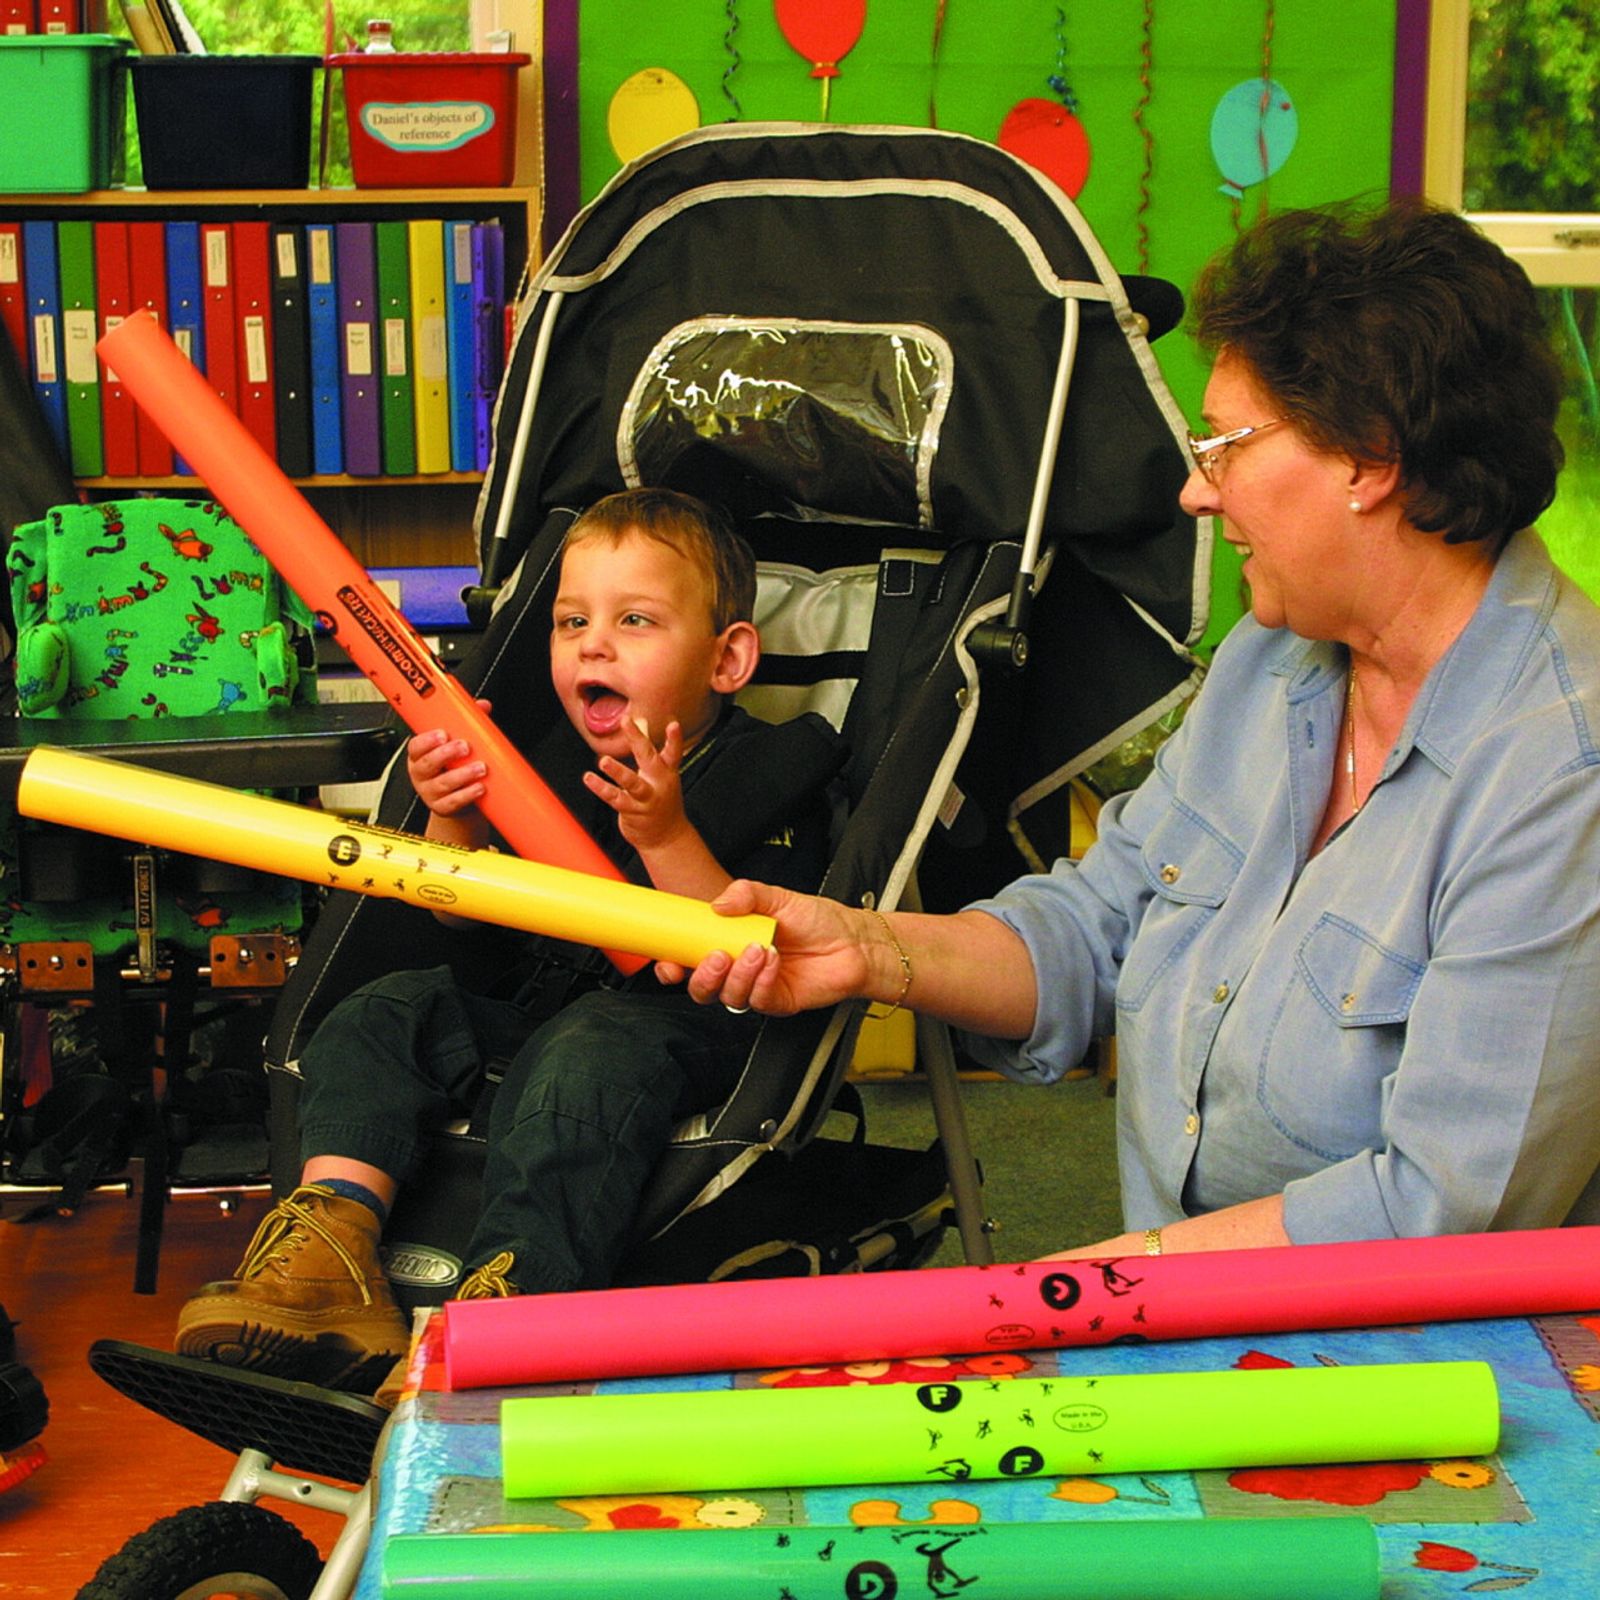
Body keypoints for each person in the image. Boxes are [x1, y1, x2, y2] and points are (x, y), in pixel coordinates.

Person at [678, 197, 1600, 1256]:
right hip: (1199, 1335)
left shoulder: (1560, 769)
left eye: (1226, 444)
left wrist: (1125, 1285)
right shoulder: (1274, 660)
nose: (1194, 490)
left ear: (1371, 457)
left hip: (1427, 1377)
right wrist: (867, 948)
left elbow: (1442, 1209)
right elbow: (1100, 924)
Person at [174, 487, 847, 1391]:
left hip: (681, 1027)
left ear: (727, 660)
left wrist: (664, 836)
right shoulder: (548, 766)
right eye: (573, 622)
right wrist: (451, 822)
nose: (592, 645)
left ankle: (515, 1306)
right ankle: (330, 1249)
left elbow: (740, 950)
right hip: (539, 1016)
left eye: (635, 620)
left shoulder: (779, 768)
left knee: (588, 1049)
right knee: (386, 1010)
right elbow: (470, 913)